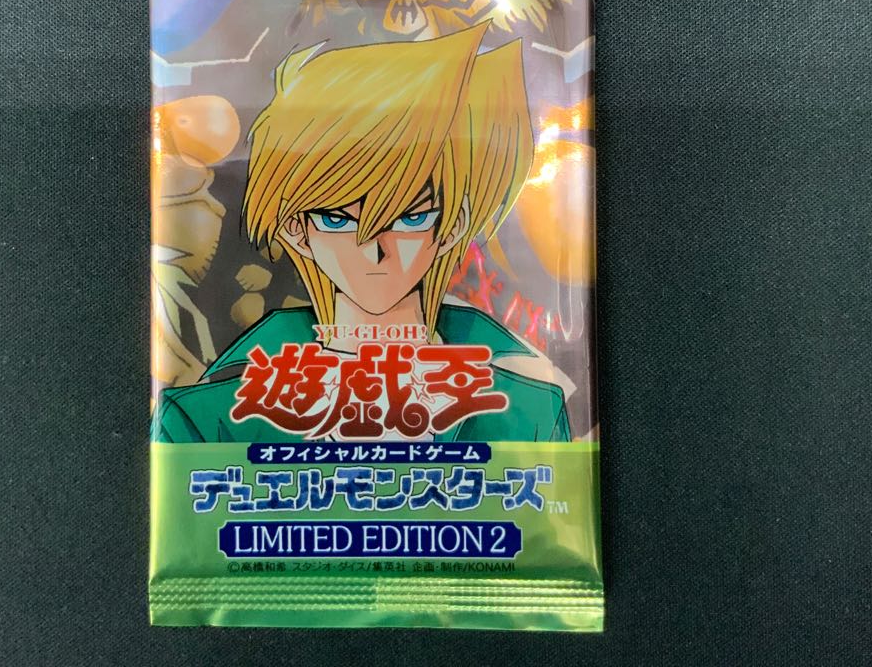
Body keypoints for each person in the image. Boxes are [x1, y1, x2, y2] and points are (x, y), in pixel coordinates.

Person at [152, 23, 570, 443]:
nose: (375, 250)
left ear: (453, 226)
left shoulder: (532, 413)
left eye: (410, 219)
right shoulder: (204, 419)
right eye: (337, 220)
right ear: (297, 230)